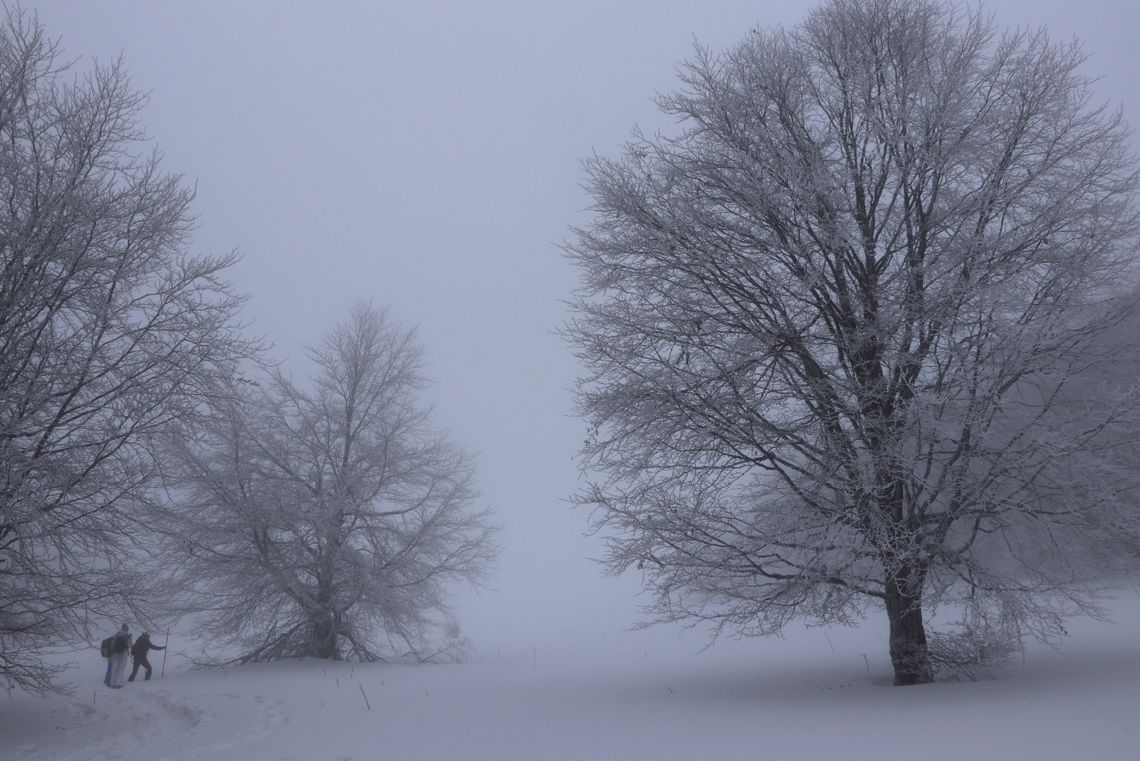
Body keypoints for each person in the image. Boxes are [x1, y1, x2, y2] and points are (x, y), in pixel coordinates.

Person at [108, 623, 132, 688]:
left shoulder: (117, 634)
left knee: (114, 667)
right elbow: (130, 645)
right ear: (126, 628)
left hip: (115, 653)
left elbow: (112, 643)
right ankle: (119, 683)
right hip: (123, 653)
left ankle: (112, 683)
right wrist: (130, 653)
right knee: (121, 668)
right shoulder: (127, 635)